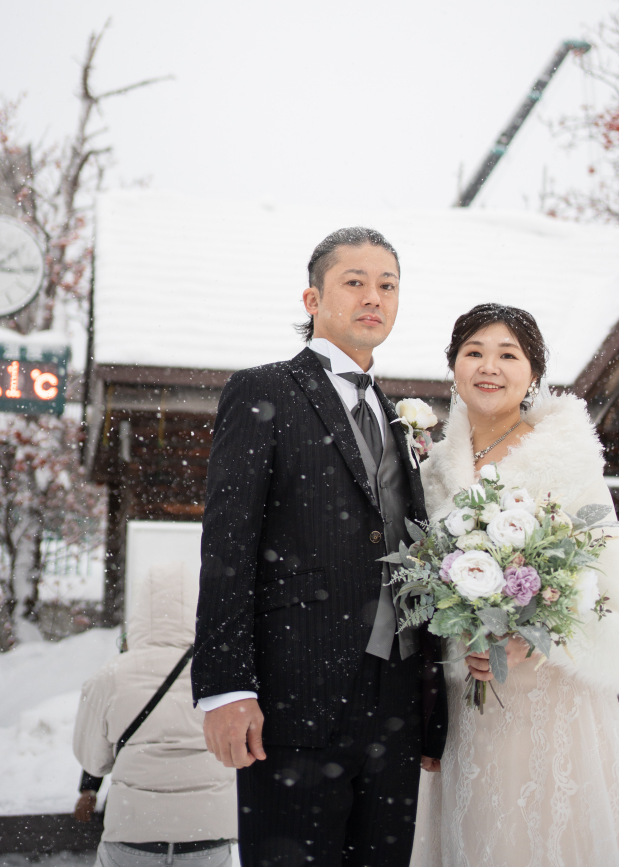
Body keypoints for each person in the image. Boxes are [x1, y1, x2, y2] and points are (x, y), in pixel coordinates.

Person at [192, 227, 447, 867]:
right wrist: (226, 687)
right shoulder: (265, 390)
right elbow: (228, 545)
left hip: (396, 695)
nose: (374, 297)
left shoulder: (399, 416)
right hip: (295, 692)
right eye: (354, 282)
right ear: (312, 298)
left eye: (387, 285)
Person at [411, 303, 619, 867]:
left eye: (508, 355)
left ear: (532, 373)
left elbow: (605, 581)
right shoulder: (432, 470)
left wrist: (537, 638)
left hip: (554, 695)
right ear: (453, 366)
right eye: (473, 352)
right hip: (467, 697)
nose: (488, 367)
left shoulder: (568, 460)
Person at [73, 561, 237, 867]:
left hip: (134, 835)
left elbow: (93, 759)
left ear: (140, 612)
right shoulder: (221, 671)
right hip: (207, 834)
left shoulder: (110, 676)